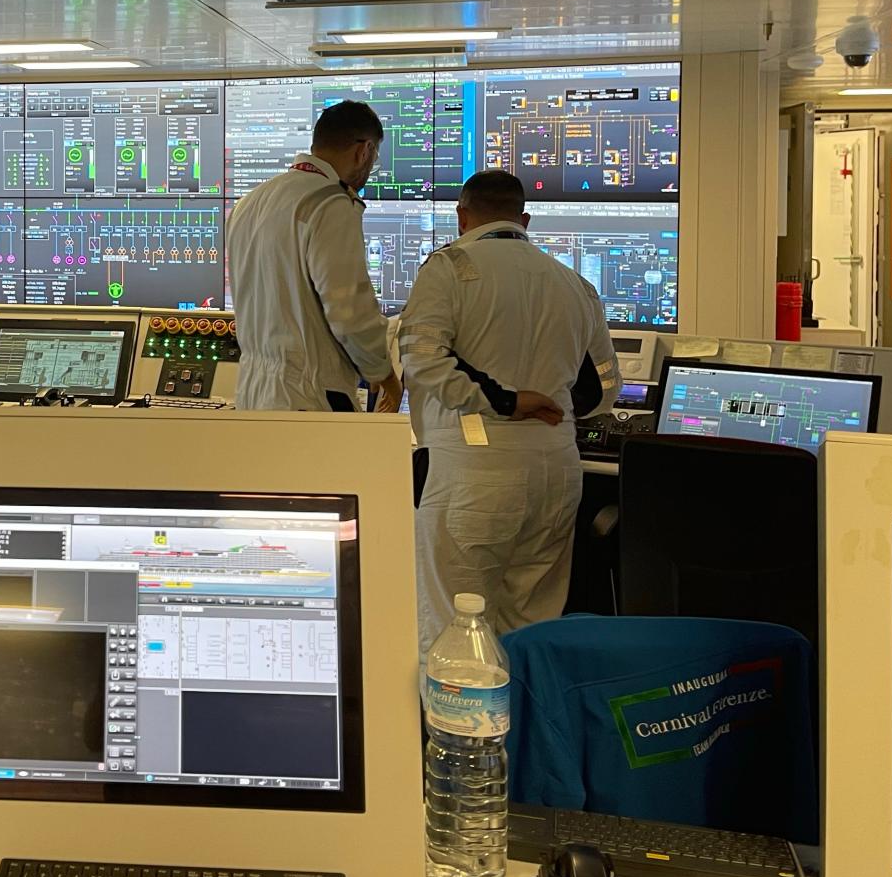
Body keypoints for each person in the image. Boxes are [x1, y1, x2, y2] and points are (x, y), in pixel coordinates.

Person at [400, 169, 621, 658]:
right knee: (531, 626)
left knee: (456, 627)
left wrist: (506, 400)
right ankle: (527, 732)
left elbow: (422, 359)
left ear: (462, 216)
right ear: (525, 219)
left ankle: (459, 735)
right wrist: (548, 402)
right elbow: (604, 391)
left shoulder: (449, 268)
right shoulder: (575, 284)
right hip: (556, 473)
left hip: (472, 473)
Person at [227, 98, 401, 413]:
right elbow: (350, 312)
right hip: (310, 396)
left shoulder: (249, 202)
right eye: (373, 158)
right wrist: (384, 374)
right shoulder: (329, 203)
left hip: (252, 393)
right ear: (364, 151)